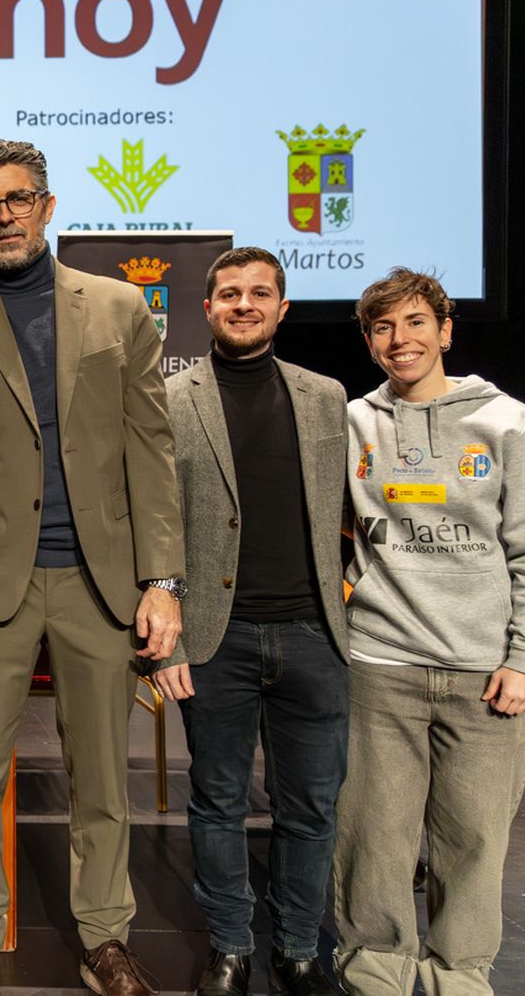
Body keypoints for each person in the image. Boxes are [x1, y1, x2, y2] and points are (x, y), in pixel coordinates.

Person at [0, 138, 184, 996]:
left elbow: (152, 448)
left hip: (101, 581)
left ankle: (105, 936)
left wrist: (162, 581)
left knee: (102, 774)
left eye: (18, 198)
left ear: (48, 206)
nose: (4, 215)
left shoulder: (118, 307)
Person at [333, 268, 525, 996]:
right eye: (383, 327)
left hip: (484, 669)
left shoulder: (508, 422)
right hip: (379, 662)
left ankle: (459, 976)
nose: (401, 340)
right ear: (369, 341)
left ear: (445, 331)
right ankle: (375, 973)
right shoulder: (352, 422)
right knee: (374, 838)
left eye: (416, 322)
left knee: (474, 841)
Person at [152, 247, 349, 996]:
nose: (244, 304)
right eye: (230, 293)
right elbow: (152, 520)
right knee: (218, 803)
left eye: (260, 293)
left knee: (311, 807)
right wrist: (164, 639)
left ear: (282, 307)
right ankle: (231, 946)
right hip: (214, 636)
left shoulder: (326, 397)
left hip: (315, 635)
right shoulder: (170, 398)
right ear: (207, 308)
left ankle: (298, 949)